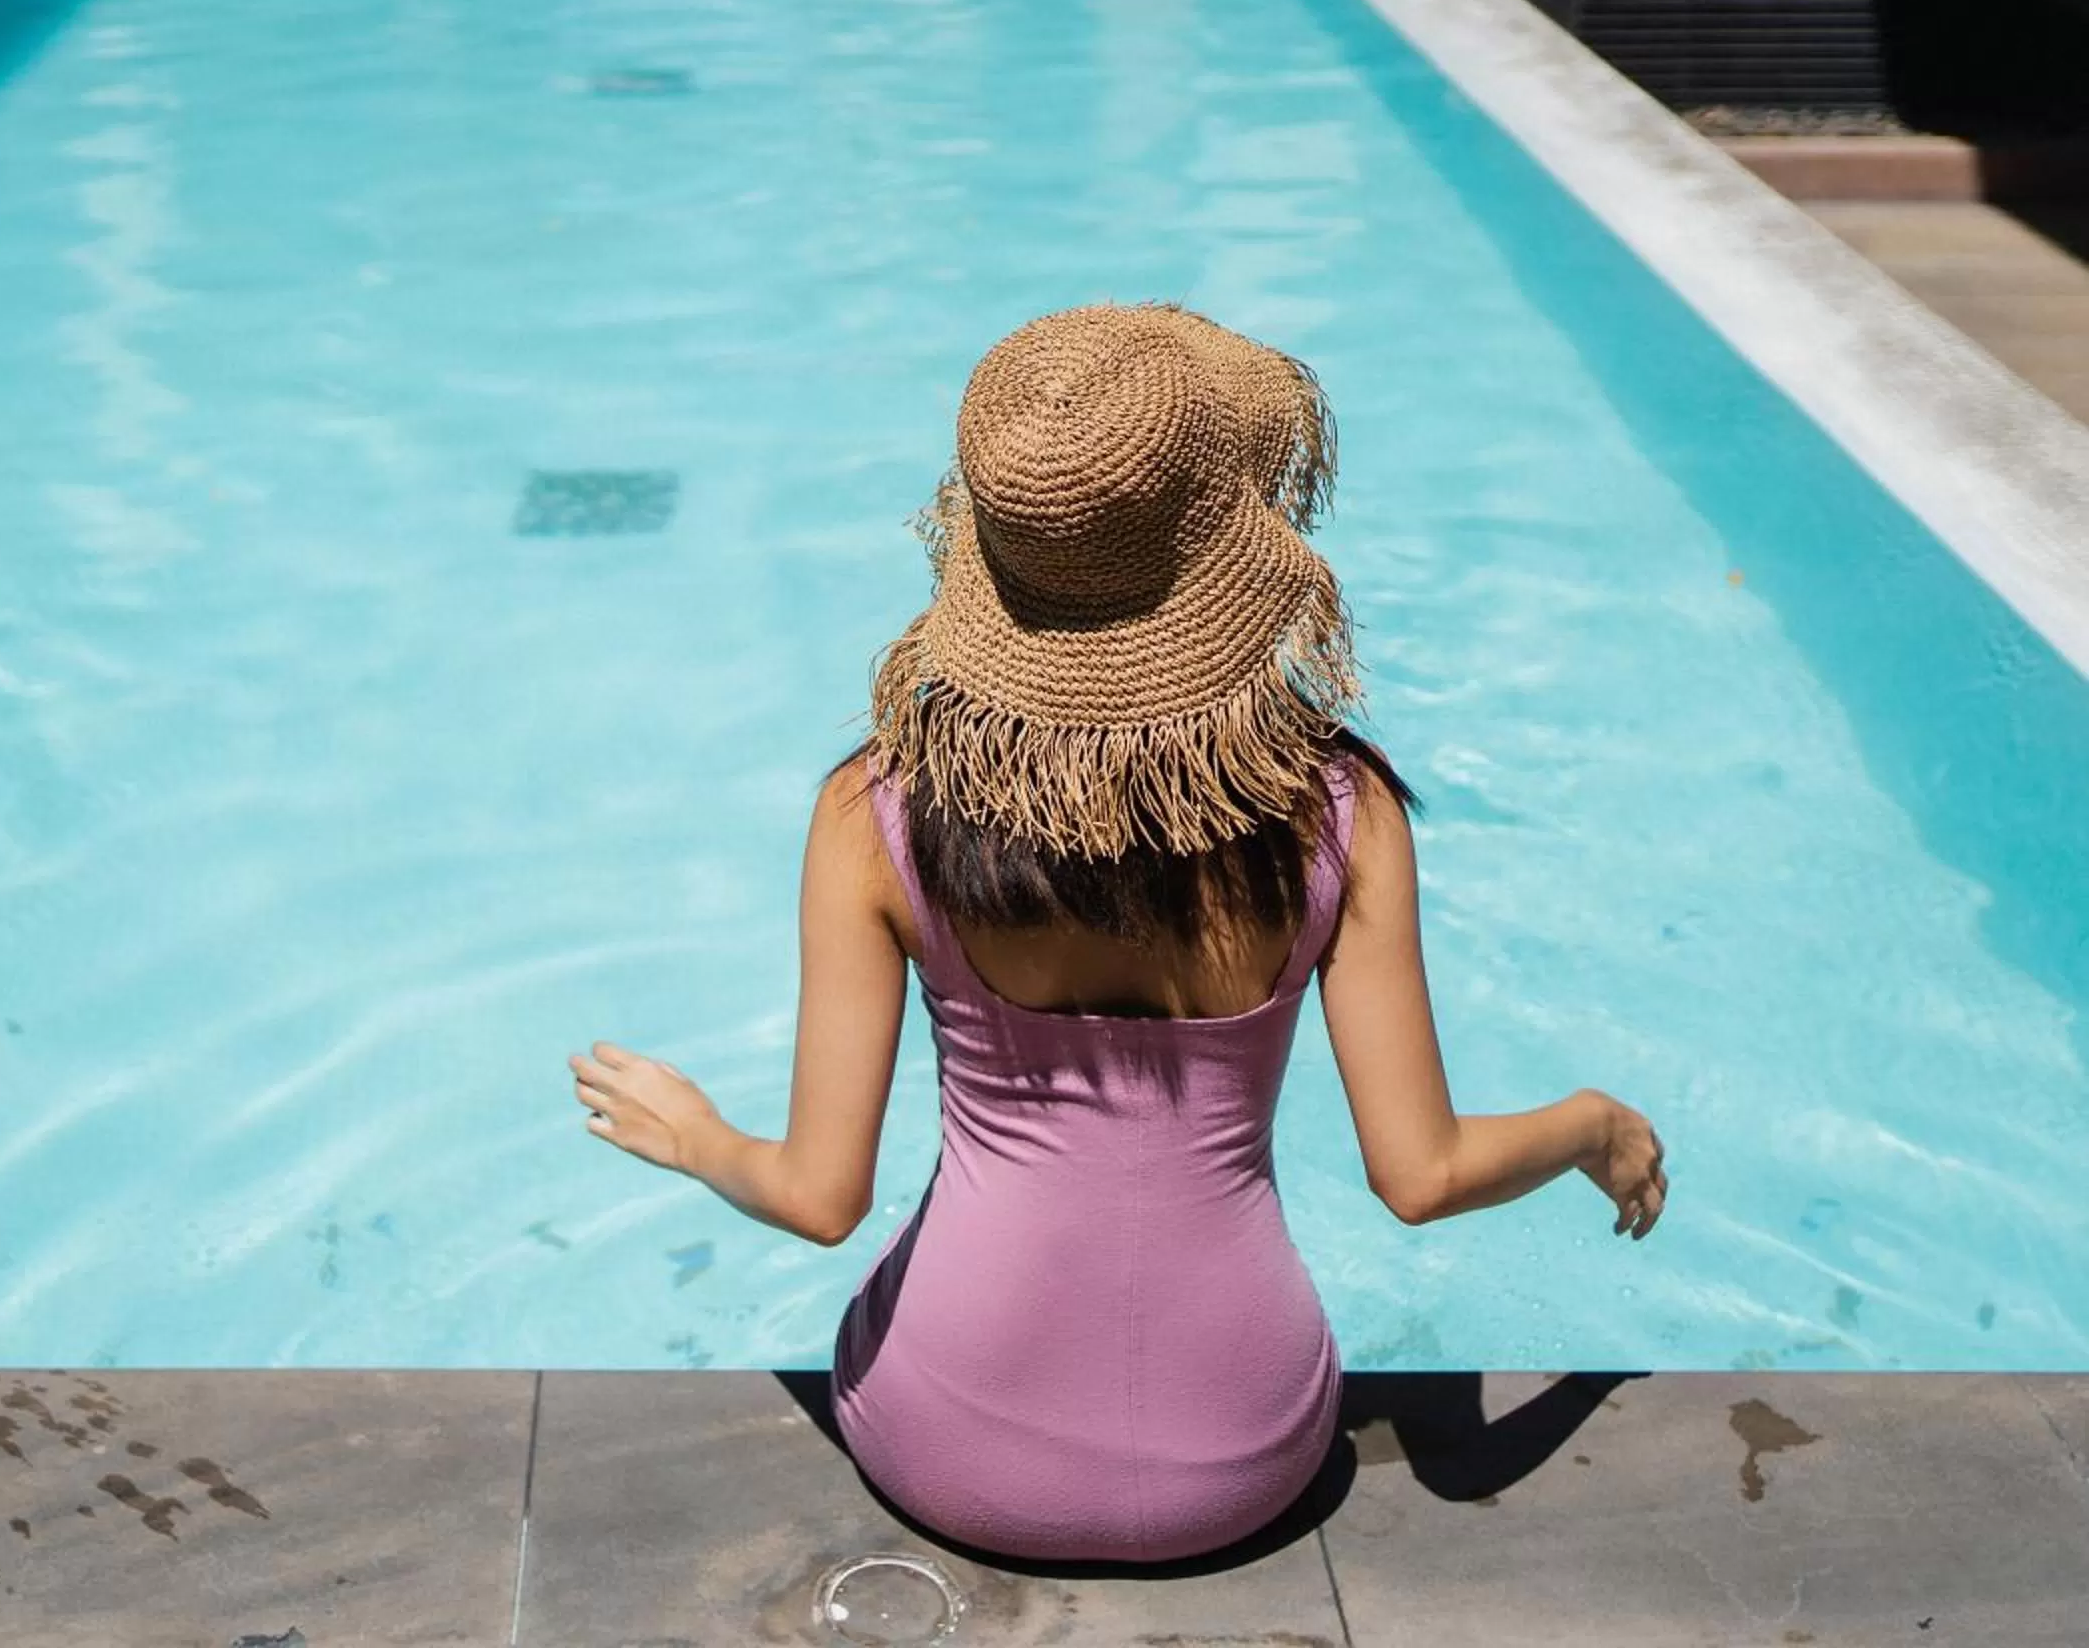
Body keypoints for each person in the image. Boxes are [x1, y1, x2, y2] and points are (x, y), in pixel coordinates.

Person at [569, 303, 1666, 1566]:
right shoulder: (1339, 814)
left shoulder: (874, 813)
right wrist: (1596, 1122)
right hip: (1247, 1453)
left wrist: (698, 1134)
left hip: (944, 1440)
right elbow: (1420, 1177)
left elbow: (821, 1199)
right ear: (1228, 544)